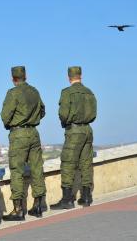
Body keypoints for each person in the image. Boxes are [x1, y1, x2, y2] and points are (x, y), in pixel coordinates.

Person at [0, 66, 47, 221]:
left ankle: (18, 210)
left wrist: (14, 124)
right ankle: (38, 205)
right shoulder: (34, 91)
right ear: (25, 76)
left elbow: (5, 116)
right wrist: (32, 120)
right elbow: (42, 111)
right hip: (34, 133)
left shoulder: (13, 93)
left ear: (13, 78)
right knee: (37, 169)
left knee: (17, 171)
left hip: (19, 134)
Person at [51, 66, 97, 210]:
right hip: (88, 130)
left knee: (68, 163)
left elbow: (63, 114)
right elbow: (94, 113)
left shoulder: (67, 93)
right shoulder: (89, 92)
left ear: (68, 77)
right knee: (86, 163)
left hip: (75, 130)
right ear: (80, 76)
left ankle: (67, 199)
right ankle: (87, 197)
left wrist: (66, 122)